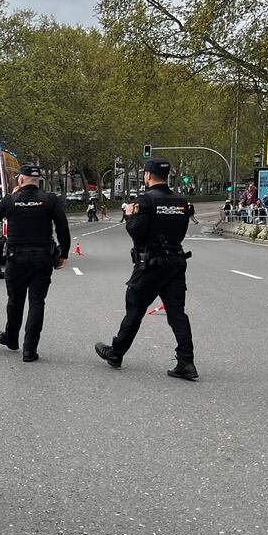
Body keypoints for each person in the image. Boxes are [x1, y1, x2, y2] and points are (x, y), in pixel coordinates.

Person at [96, 158, 197, 380]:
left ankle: (116, 353)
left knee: (134, 310)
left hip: (150, 265)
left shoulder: (146, 200)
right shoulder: (181, 201)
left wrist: (130, 214)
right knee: (177, 314)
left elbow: (136, 231)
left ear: (148, 176)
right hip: (175, 263)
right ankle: (186, 362)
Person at [0, 163, 70, 362]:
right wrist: (64, 254)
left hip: (16, 259)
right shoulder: (49, 199)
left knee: (15, 301)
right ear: (39, 181)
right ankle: (29, 350)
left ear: (21, 179)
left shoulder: (11, 200)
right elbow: (62, 228)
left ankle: (11, 338)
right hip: (42, 258)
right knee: (37, 303)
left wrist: (11, 196)